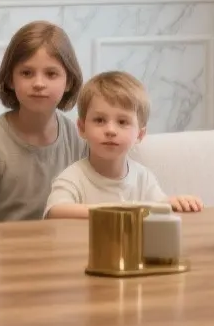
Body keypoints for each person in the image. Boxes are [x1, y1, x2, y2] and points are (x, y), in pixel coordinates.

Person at [0, 21, 86, 222]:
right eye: (26, 73)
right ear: (10, 80)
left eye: (51, 74)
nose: (39, 83)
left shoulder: (79, 138)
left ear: (69, 82)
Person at [45, 71, 204, 217]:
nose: (110, 130)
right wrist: (117, 212)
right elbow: (55, 211)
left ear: (139, 135)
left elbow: (160, 208)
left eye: (122, 122)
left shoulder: (144, 178)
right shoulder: (73, 177)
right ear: (82, 128)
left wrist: (177, 202)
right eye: (99, 120)